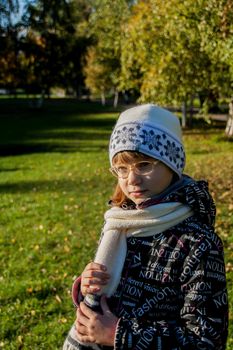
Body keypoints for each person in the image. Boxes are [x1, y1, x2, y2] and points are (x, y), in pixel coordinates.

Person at [63, 104, 228, 350]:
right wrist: (87, 287)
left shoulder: (198, 242)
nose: (132, 179)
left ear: (171, 164)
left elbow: (206, 339)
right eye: (122, 169)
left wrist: (118, 334)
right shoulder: (120, 222)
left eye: (144, 165)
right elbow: (109, 292)